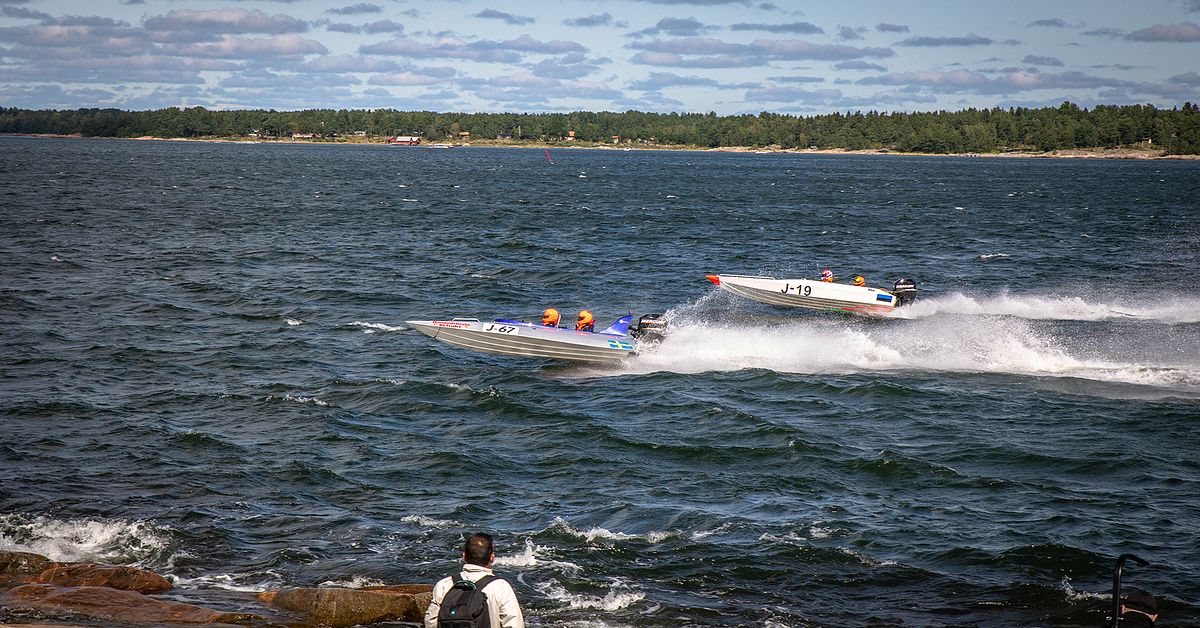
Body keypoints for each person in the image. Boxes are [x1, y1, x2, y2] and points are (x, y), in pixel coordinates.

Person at [425, 532, 525, 628]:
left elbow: (431, 622)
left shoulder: (444, 584)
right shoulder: (500, 586)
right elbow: (514, 624)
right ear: (492, 557)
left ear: (464, 556)